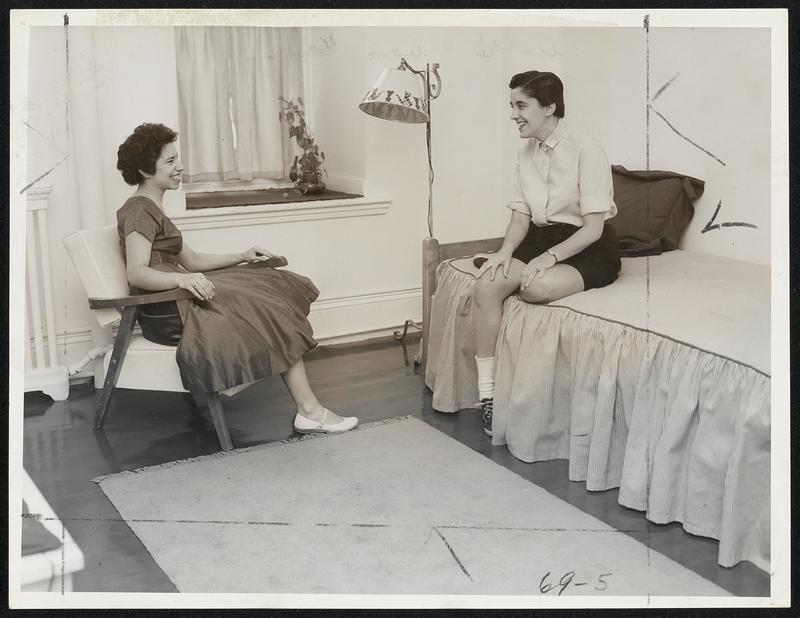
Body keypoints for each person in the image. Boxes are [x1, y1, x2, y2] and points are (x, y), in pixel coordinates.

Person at [115, 123, 358, 435]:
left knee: (268, 287)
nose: (181, 167)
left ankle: (309, 410)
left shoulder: (152, 206)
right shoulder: (138, 209)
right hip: (167, 308)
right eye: (171, 161)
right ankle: (309, 410)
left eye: (178, 159)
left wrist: (242, 255)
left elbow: (191, 261)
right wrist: (182, 282)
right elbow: (136, 272)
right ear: (144, 170)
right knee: (264, 307)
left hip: (179, 294)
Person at [471, 71, 621, 437]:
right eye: (512, 105)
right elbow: (521, 214)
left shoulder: (588, 151)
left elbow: (593, 228)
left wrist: (547, 259)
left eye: (521, 105)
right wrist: (505, 252)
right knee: (487, 285)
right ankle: (487, 395)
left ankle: (536, 270)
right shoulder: (525, 152)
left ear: (550, 107)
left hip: (588, 246)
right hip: (540, 238)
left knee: (534, 289)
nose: (513, 114)